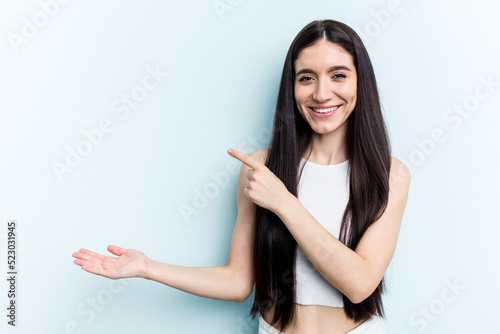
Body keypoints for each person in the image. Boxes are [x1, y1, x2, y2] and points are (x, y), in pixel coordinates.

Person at [72, 19, 411, 334]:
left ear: (360, 82)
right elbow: (237, 282)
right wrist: (148, 267)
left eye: (338, 75)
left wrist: (284, 203)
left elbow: (359, 283)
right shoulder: (260, 168)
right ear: (291, 87)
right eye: (306, 77)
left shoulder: (390, 174)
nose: (321, 93)